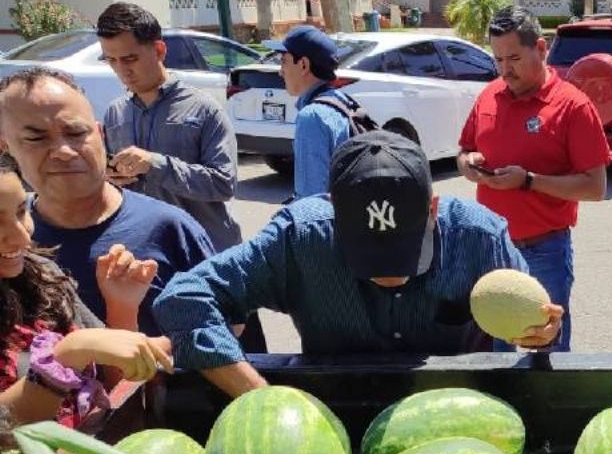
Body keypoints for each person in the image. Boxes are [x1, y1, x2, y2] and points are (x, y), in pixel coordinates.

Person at [154, 131, 563, 398]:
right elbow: (184, 298)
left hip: (460, 408)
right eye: (369, 252)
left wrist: (542, 332)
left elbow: (527, 322)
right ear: (333, 211)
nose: (389, 274)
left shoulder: (478, 237)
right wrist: (258, 397)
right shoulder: (300, 238)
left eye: (403, 250)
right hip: (337, 411)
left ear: (434, 208)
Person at [0, 67, 216, 337]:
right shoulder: (11, 249)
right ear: (5, 146)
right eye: (36, 138)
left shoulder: (172, 230)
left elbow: (227, 337)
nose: (64, 152)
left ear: (100, 134)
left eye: (77, 133)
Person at [457, 6, 611, 352]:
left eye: (513, 58)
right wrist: (469, 164)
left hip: (544, 250)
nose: (504, 69)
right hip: (492, 247)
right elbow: (464, 150)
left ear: (541, 49)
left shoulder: (573, 106)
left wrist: (528, 181)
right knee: (499, 353)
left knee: (546, 351)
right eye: (497, 59)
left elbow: (595, 187)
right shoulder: (488, 95)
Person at [0, 162, 173, 429]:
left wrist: (122, 308)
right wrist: (65, 357)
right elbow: (5, 435)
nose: (22, 238)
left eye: (21, 211)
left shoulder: (43, 274)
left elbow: (114, 378)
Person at [96, 2, 243, 252]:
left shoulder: (203, 109)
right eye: (112, 60)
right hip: (145, 251)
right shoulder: (115, 112)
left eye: (130, 58)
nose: (122, 70)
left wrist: (154, 164)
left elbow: (222, 184)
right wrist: (108, 177)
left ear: (159, 50)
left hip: (205, 252)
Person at [267, 25, 355, 200]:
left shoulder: (312, 117)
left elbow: (311, 204)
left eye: (284, 61)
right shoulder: (342, 101)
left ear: (304, 65)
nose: (280, 71)